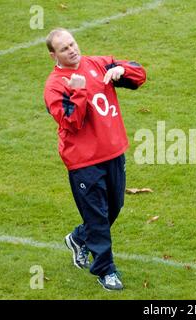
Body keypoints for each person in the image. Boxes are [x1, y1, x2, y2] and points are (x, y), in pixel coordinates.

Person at [43, 28, 146, 291]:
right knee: (98, 217)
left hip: (112, 151)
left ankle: (79, 238)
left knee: (115, 206)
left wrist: (122, 71)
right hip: (83, 161)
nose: (72, 50)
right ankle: (105, 270)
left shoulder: (98, 64)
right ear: (54, 55)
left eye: (73, 43)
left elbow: (140, 75)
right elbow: (72, 121)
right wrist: (78, 90)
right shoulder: (54, 85)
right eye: (65, 48)